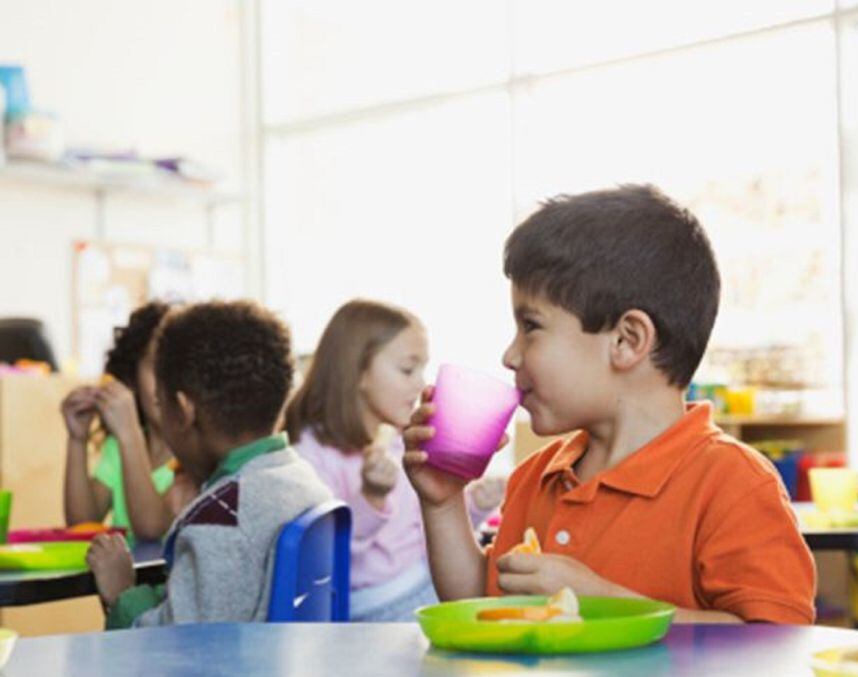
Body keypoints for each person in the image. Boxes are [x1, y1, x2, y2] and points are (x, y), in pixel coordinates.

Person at [404, 185, 816, 623]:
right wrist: (443, 504)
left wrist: (599, 601)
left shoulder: (733, 483)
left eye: (531, 326)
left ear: (626, 340)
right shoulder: (536, 478)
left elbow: (777, 641)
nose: (510, 355)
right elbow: (483, 605)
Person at [86, 301, 331, 627]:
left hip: (232, 676)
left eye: (162, 402)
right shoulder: (303, 479)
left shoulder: (221, 517)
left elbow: (178, 649)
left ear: (184, 411)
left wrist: (121, 594)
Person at [285, 299, 505, 621]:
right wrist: (371, 497)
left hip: (424, 584)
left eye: (422, 368)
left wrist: (472, 506)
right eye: (407, 369)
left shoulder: (398, 444)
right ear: (357, 372)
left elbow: (424, 533)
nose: (420, 384)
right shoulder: (310, 456)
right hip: (378, 607)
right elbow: (323, 559)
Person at [61, 302, 195, 543]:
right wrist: (77, 439)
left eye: (180, 369)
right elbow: (82, 525)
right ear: (131, 379)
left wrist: (128, 433)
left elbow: (152, 528)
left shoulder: (194, 456)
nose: (169, 383)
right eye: (158, 367)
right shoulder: (119, 447)